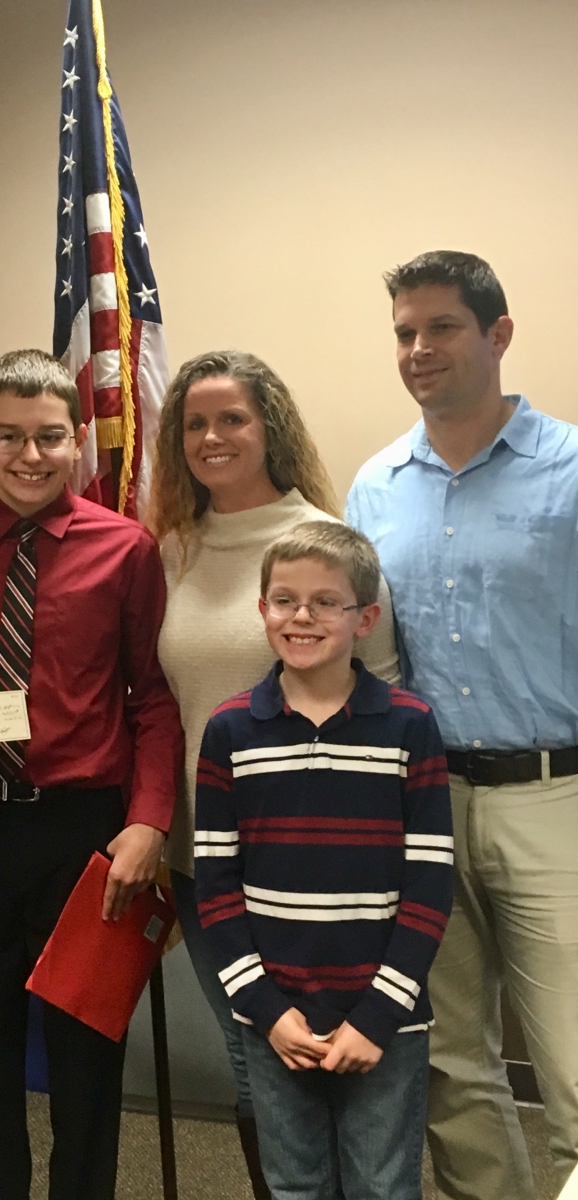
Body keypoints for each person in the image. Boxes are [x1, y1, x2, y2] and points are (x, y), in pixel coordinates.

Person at [0, 348, 183, 1200]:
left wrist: (150, 820)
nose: (30, 455)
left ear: (78, 440)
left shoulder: (125, 550)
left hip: (82, 832)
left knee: (87, 1060)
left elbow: (153, 699)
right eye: (9, 436)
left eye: (50, 437)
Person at [346, 249, 578, 1199]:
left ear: (499, 335)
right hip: (427, 803)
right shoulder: (376, 485)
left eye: (440, 327)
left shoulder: (568, 471)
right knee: (452, 1065)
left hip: (551, 797)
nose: (417, 349)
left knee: (570, 1067)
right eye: (404, 331)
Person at [148, 349, 399, 1196]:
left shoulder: (326, 541)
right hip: (208, 859)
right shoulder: (170, 550)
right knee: (256, 1057)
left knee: (345, 1062)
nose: (212, 437)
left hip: (323, 854)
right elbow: (155, 700)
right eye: (194, 423)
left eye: (232, 419)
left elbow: (387, 692)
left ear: (270, 429)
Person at [195, 520, 453, 1200]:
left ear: (365, 618)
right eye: (284, 599)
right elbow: (216, 891)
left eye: (324, 602)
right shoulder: (229, 731)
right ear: (261, 611)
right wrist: (266, 1009)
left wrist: (376, 1017)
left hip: (384, 1022)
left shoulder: (409, 726)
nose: (301, 616)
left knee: (382, 1184)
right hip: (275, 1018)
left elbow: (430, 886)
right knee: (295, 1184)